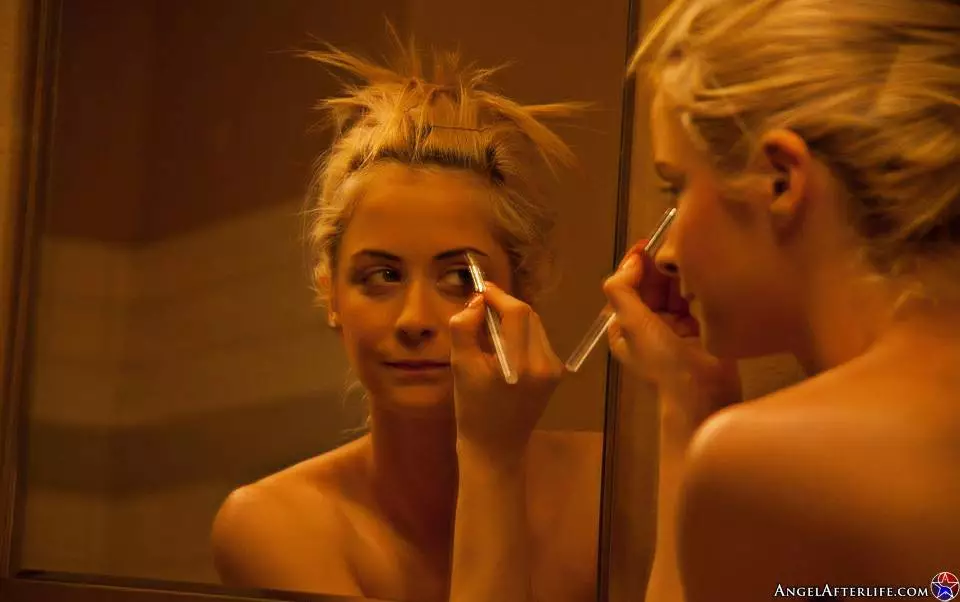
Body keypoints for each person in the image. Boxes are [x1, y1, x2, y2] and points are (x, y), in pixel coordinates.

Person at [447, 0, 960, 600]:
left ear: (779, 181)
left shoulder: (773, 466)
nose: (665, 255)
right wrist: (692, 397)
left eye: (677, 186)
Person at [210, 33, 603, 602]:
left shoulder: (609, 488)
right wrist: (491, 460)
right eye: (382, 276)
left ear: (526, 290)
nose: (416, 320)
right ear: (330, 295)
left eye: (459, 279)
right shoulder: (274, 524)